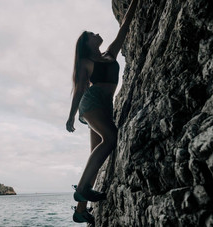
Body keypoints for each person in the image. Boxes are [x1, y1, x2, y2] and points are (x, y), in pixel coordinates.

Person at [66, 0, 139, 224]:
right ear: (87, 43)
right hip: (92, 103)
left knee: (95, 156)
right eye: (91, 34)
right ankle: (81, 190)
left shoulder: (110, 53)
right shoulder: (86, 62)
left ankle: (80, 211)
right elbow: (79, 90)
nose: (97, 33)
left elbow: (124, 27)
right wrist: (70, 117)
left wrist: (135, 4)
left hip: (106, 106)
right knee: (111, 138)